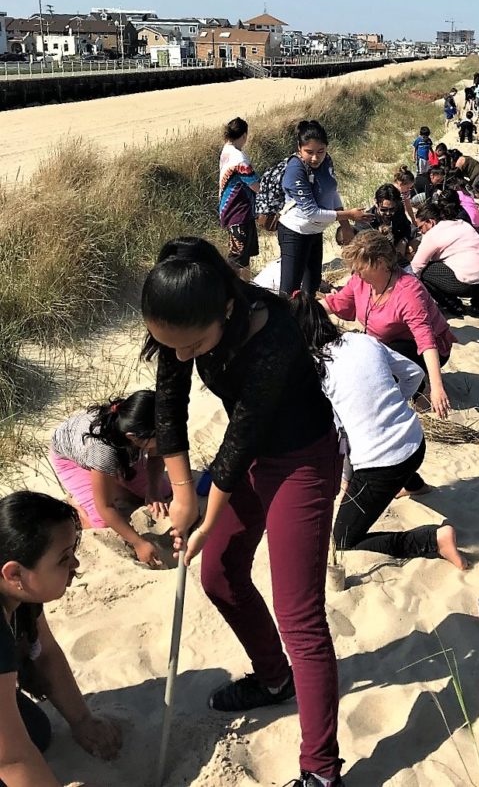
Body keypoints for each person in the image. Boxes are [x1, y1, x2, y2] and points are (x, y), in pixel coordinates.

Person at [141, 237, 345, 787]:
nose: (182, 356)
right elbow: (168, 407)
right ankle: (274, 680)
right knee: (219, 575)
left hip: (299, 458)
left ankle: (322, 771)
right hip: (249, 459)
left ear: (226, 310)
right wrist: (184, 495)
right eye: (169, 346)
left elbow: (242, 433)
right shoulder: (182, 318)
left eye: (192, 346)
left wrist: (204, 514)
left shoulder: (272, 330)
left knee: (300, 615)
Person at [289, 295, 466, 568]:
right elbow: (415, 374)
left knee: (345, 538)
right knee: (387, 441)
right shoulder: (361, 340)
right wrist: (396, 401)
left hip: (382, 466)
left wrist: (347, 479)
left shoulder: (317, 372)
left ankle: (434, 539)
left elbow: (341, 437)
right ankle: (415, 485)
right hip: (415, 441)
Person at [0, 491, 122, 787]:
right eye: (64, 558)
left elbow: (45, 654)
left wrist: (82, 721)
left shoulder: (20, 593)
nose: (76, 565)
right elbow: (12, 759)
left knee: (36, 731)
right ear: (14, 572)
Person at [321, 231, 455, 419]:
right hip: (386, 343)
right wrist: (302, 311)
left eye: (361, 267)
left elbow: (426, 340)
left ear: (382, 263)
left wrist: (437, 387)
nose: (356, 272)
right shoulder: (361, 281)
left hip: (422, 347)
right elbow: (337, 302)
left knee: (375, 376)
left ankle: (421, 385)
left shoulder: (408, 291)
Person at [49, 391, 168, 567]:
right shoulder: (103, 452)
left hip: (120, 454)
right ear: (133, 437)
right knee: (100, 521)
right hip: (70, 460)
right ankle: (77, 504)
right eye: (156, 438)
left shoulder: (138, 420)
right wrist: (138, 543)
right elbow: (105, 507)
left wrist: (154, 491)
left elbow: (156, 455)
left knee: (164, 490)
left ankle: (114, 485)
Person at [279, 120, 371, 296]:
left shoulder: (326, 161)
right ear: (299, 148)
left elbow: (332, 192)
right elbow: (312, 212)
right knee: (289, 289)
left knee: (312, 284)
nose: (315, 158)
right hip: (295, 232)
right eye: (309, 152)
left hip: (315, 232)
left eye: (320, 151)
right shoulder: (295, 170)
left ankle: (307, 320)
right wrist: (350, 214)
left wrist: (345, 226)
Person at [412, 202, 479, 316]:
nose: (421, 231)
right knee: (472, 264)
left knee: (425, 271)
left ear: (431, 222)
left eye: (421, 227)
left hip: (470, 284)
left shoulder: (432, 234)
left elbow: (416, 266)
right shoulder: (462, 224)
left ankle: (454, 305)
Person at [219, 117, 260, 277]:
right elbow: (255, 185)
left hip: (232, 209)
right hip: (238, 211)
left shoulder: (226, 150)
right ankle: (233, 291)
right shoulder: (238, 157)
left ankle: (246, 288)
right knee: (237, 257)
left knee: (244, 255)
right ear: (244, 135)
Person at [355, 184, 416, 268]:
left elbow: (407, 227)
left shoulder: (398, 210)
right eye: (383, 209)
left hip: (398, 254)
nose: (388, 213)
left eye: (392, 209)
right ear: (375, 202)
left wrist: (403, 241)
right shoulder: (366, 222)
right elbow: (363, 250)